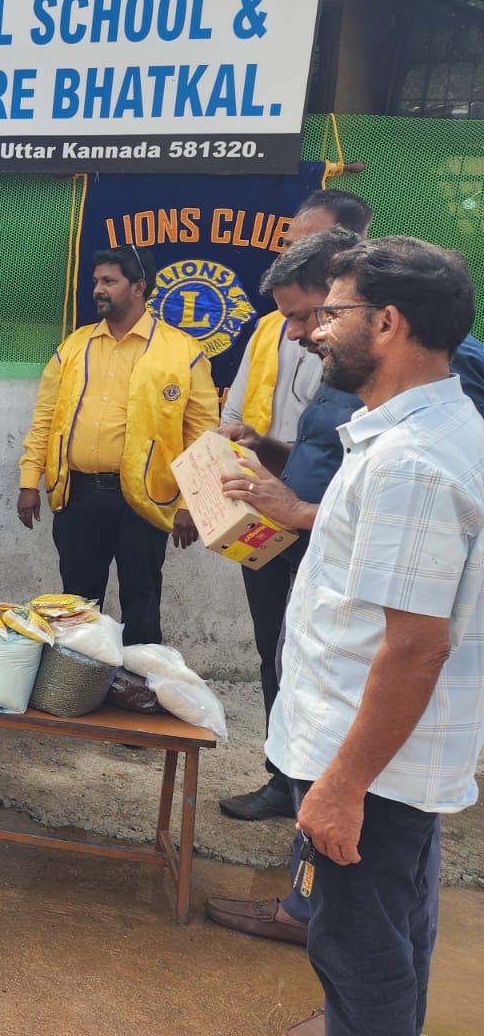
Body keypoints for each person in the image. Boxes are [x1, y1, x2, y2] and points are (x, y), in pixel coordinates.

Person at [204, 224, 484, 954]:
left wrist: (341, 785)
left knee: (363, 956)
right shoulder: (395, 422)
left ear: (387, 323)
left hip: (373, 755)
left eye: (326, 315)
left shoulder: (414, 455)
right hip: (364, 737)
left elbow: (417, 646)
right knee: (387, 934)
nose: (311, 335)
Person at [212, 194, 370, 822]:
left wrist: (302, 510)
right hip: (276, 528)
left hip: (328, 544)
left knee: (323, 670)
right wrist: (262, 449)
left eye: (312, 317)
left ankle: (321, 794)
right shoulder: (324, 357)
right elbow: (310, 449)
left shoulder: (410, 373)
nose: (304, 334)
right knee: (278, 654)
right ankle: (288, 779)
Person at [17, 247, 217, 645]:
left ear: (139, 287)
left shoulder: (182, 352)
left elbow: (203, 435)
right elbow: (45, 418)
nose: (98, 290)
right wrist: (28, 480)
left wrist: (190, 503)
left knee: (141, 600)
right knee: (75, 603)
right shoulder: (74, 347)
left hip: (145, 499)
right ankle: (76, 687)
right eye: (96, 282)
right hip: (78, 494)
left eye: (109, 281)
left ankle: (139, 692)